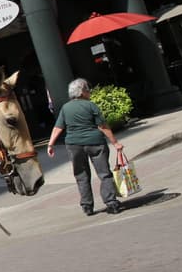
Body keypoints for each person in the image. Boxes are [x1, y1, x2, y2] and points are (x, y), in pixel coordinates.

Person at [47, 77, 125, 215]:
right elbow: (102, 126)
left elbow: (58, 127)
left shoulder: (65, 108)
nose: (89, 92)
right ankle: (111, 203)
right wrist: (115, 143)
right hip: (95, 143)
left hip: (74, 145)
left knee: (81, 175)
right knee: (104, 173)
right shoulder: (91, 105)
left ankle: (87, 206)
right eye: (87, 89)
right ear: (82, 92)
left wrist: (51, 144)